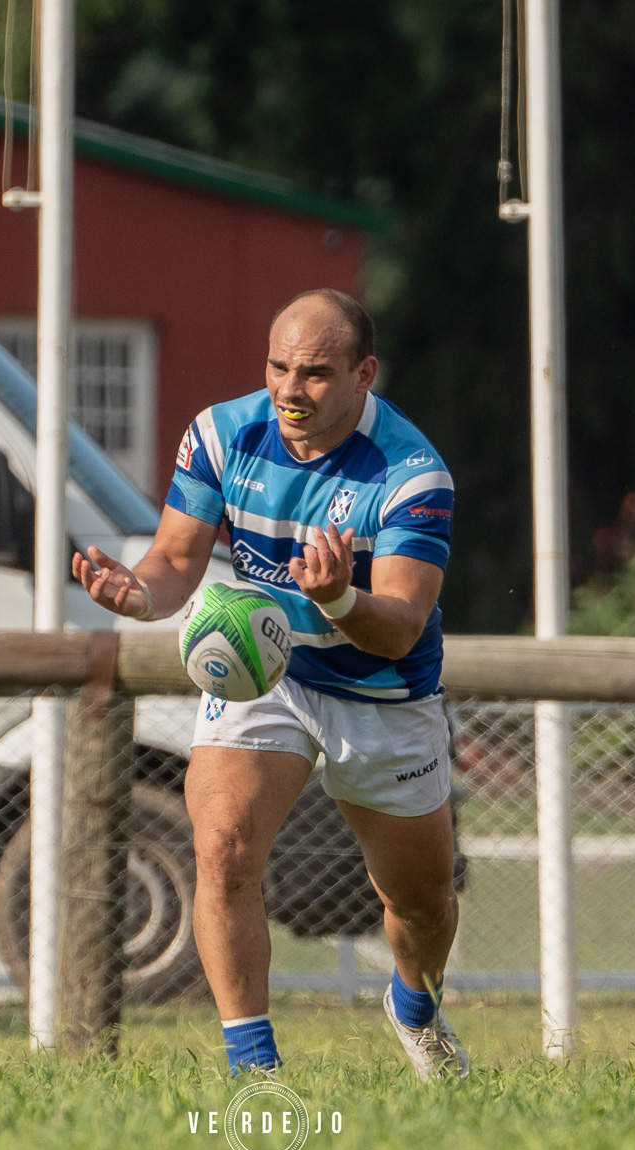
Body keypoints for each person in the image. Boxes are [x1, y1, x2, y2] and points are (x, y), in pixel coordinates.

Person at [72, 289, 467, 1080]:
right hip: (266, 670)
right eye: (279, 366)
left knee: (419, 903)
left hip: (381, 689)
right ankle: (254, 1071)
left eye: (316, 373)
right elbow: (178, 559)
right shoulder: (221, 434)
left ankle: (414, 1007)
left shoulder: (413, 474)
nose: (290, 388)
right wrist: (139, 594)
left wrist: (337, 597)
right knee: (221, 848)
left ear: (364, 374)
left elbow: (400, 626)